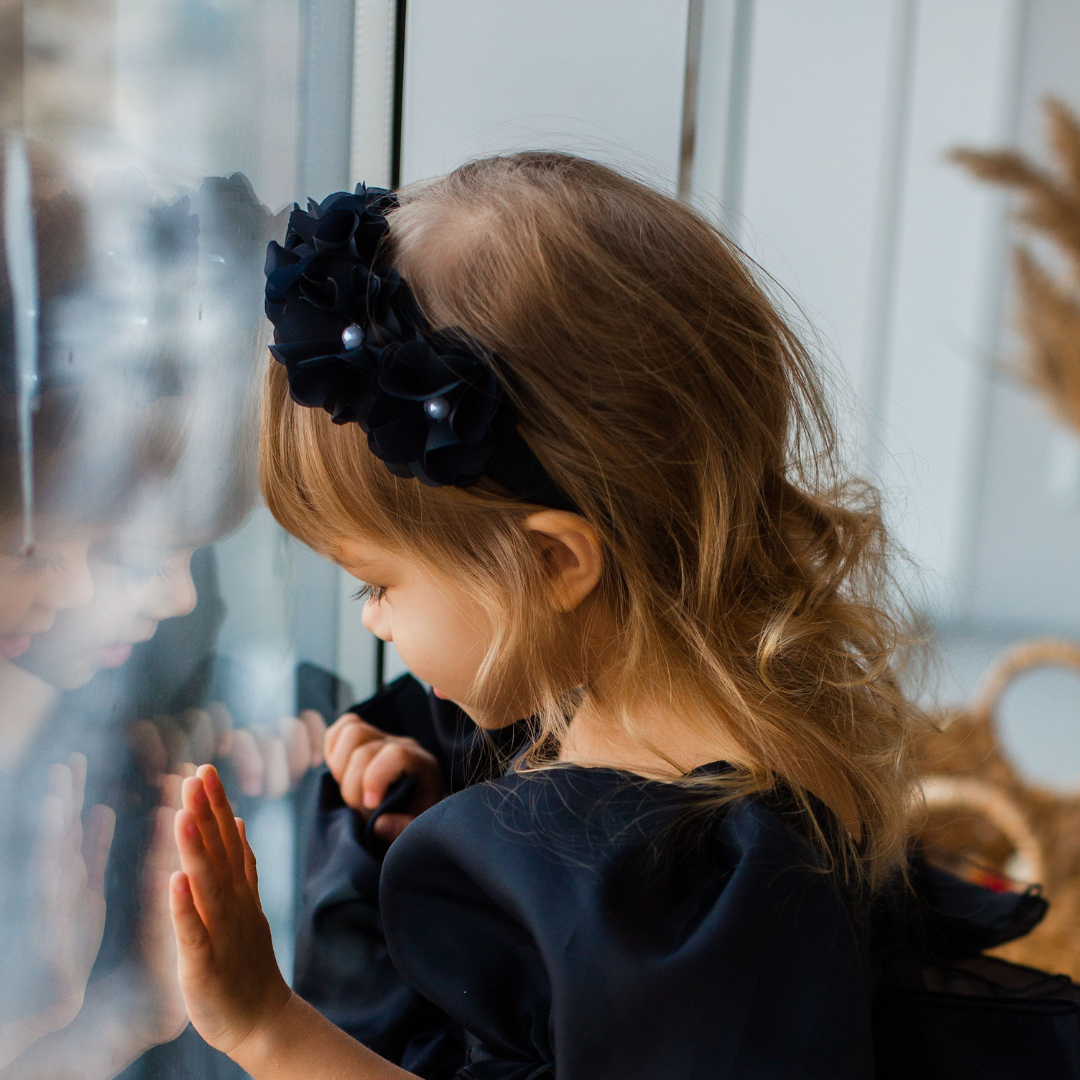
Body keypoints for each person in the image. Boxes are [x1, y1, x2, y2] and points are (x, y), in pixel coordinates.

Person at [163, 153, 1046, 1080]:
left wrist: (265, 1026)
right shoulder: (642, 728)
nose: (375, 625)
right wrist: (453, 811)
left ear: (554, 562)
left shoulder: (695, 901)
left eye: (376, 586)